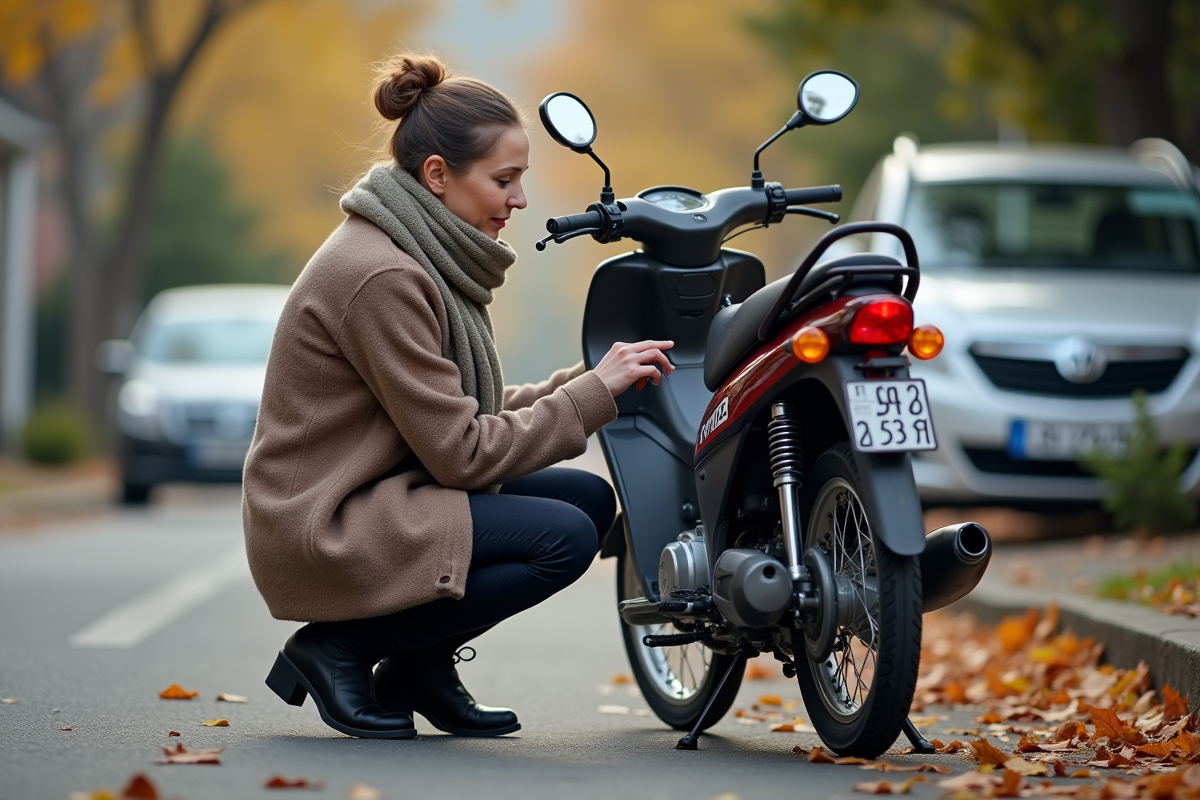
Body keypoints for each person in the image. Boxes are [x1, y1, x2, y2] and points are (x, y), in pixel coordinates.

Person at [242, 52, 674, 740]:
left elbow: (469, 413)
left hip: (388, 487)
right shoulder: (381, 275)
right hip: (328, 517)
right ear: (438, 176)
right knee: (559, 540)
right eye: (505, 180)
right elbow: (463, 454)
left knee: (589, 501)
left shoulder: (420, 252)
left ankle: (418, 665)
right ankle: (337, 649)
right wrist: (592, 394)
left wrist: (599, 379)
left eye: (522, 179)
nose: (521, 200)